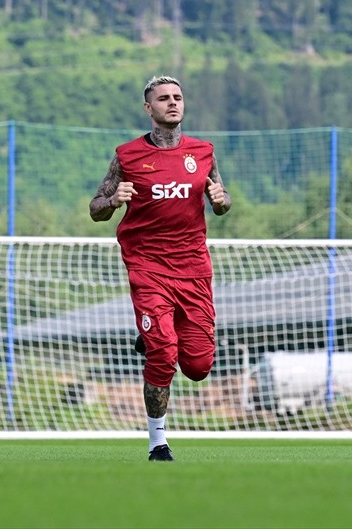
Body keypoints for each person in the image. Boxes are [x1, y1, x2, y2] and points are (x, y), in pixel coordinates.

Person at [89, 74, 231, 461]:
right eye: (163, 98)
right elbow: (96, 209)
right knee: (164, 353)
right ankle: (158, 442)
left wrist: (221, 200)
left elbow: (222, 199)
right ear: (148, 108)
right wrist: (113, 199)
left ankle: (152, 334)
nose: (173, 102)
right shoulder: (127, 156)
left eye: (178, 97)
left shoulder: (203, 153)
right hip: (148, 265)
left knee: (199, 366)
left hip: (193, 268)